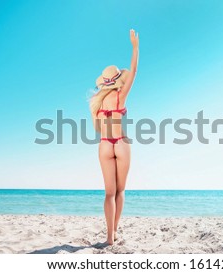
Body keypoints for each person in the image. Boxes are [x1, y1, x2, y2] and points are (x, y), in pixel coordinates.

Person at [90, 29, 139, 245]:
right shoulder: (121, 96)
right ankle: (115, 230)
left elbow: (100, 130)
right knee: (120, 191)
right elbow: (135, 71)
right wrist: (135, 47)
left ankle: (110, 236)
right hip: (120, 143)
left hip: (104, 146)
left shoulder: (97, 104)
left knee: (108, 193)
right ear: (117, 80)